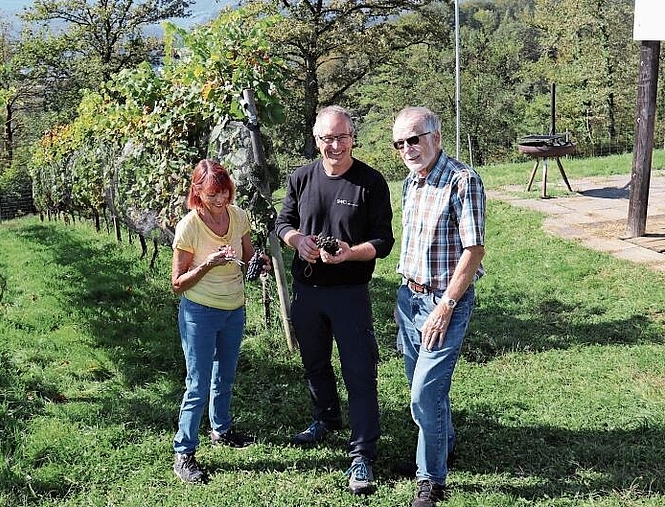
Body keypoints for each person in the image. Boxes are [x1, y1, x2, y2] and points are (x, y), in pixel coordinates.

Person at [275, 105, 395, 495]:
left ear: (352, 138)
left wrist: (349, 252)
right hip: (307, 292)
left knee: (359, 372)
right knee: (314, 363)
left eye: (342, 137)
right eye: (327, 138)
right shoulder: (301, 177)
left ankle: (362, 454)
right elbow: (283, 223)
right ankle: (325, 418)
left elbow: (383, 241)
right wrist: (297, 240)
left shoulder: (370, 182)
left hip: (349, 293)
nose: (335, 145)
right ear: (317, 140)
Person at [392, 106, 486, 507]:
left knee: (424, 395)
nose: (408, 149)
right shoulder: (410, 184)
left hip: (443, 302)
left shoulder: (463, 180)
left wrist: (446, 304)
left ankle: (430, 480)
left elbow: (474, 249)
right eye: (400, 143)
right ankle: (442, 444)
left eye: (415, 139)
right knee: (425, 388)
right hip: (408, 299)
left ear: (437, 136)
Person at [170, 159, 269, 483]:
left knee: (224, 376)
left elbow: (248, 255)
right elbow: (177, 283)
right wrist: (208, 265)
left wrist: (259, 263)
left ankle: (221, 430)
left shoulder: (238, 216)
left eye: (225, 193)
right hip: (199, 311)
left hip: (234, 309)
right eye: (213, 195)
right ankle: (184, 453)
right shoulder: (189, 226)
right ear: (197, 192)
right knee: (197, 384)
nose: (220, 200)